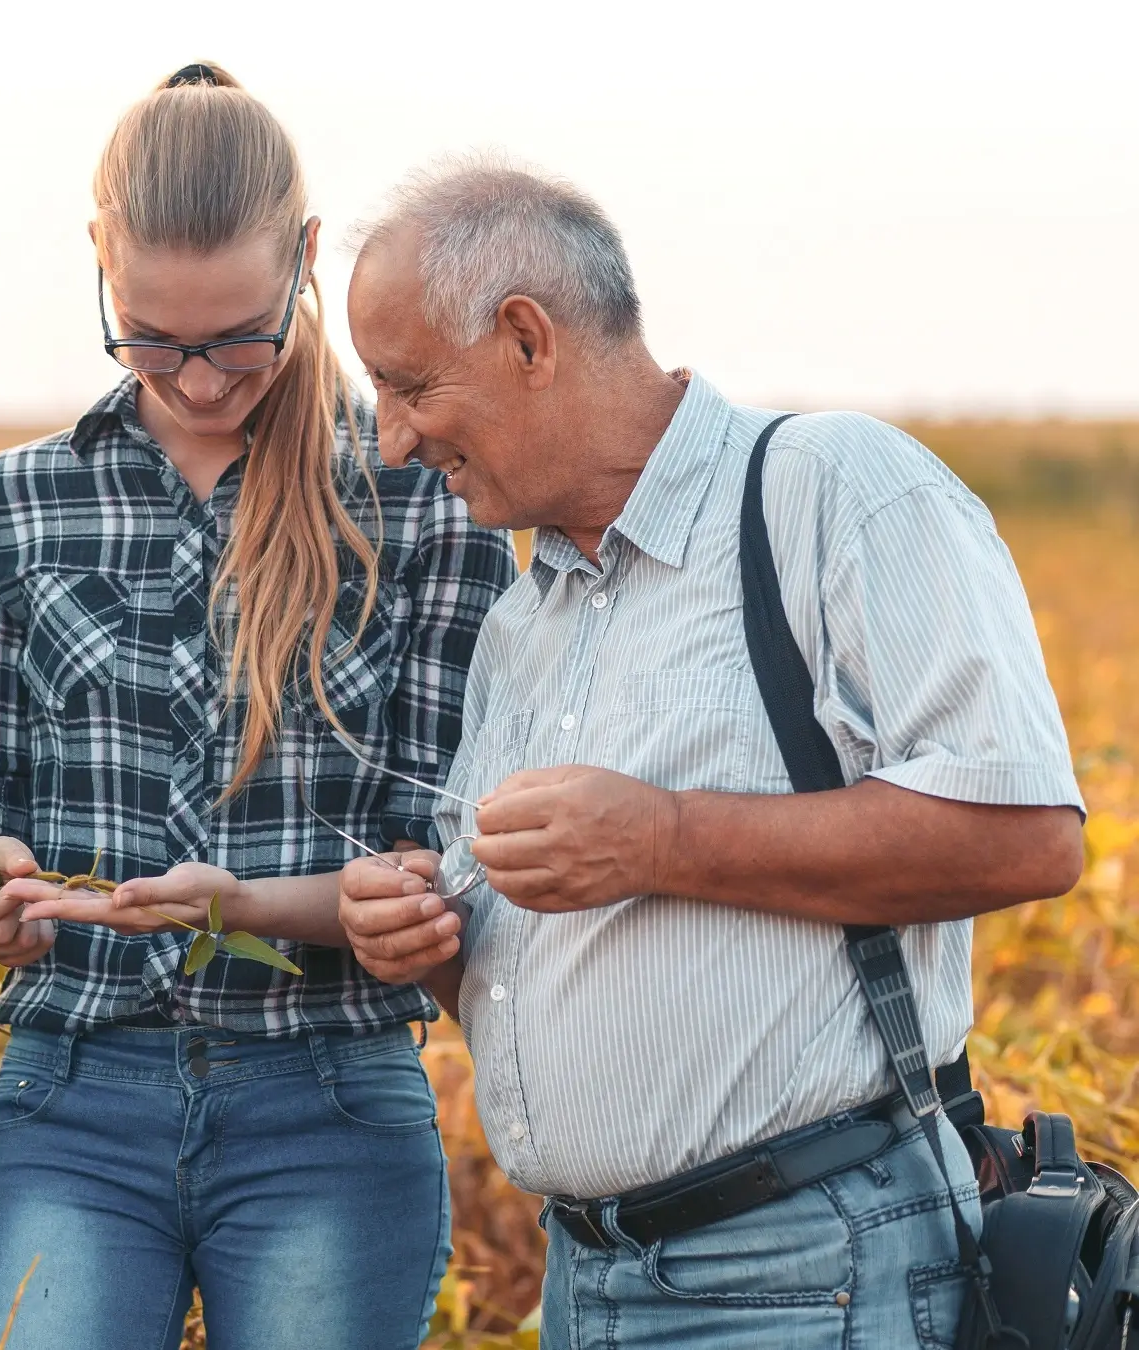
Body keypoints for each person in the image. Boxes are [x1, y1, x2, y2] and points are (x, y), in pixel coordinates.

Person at [334, 156, 1087, 1346]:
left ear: (528, 338)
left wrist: (662, 836)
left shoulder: (832, 493)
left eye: (409, 386)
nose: (391, 440)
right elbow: (524, 967)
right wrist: (421, 938)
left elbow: (1029, 837)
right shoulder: (524, 624)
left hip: (815, 1264)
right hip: (587, 1280)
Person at [0, 64, 513, 1350]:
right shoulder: (9, 506)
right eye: (150, 336)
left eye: (240, 334)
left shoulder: (422, 506)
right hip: (73, 1088)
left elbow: (438, 857)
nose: (196, 379)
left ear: (306, 260)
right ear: (97, 263)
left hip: (329, 1098)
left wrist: (240, 908)